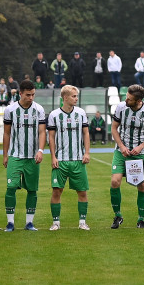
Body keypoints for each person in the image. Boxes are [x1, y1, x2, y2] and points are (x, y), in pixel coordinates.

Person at [110, 84, 144, 228]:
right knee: (115, 181)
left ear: (138, 101)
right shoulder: (120, 107)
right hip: (121, 151)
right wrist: (122, 146)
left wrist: (141, 146)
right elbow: (114, 128)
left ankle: (141, 219)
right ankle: (117, 216)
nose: (126, 100)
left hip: (139, 153)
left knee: (142, 186)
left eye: (129, 99)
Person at [2, 80, 46, 231]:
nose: (31, 98)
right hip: (15, 155)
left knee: (32, 190)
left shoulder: (39, 109)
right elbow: (6, 133)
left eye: (33, 94)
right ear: (20, 93)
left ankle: (29, 223)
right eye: (28, 95)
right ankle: (10, 222)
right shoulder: (10, 110)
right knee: (11, 187)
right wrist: (5, 155)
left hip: (32, 157)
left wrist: (40, 150)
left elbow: (42, 132)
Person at [47, 84, 91, 231]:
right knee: (57, 191)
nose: (76, 98)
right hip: (60, 160)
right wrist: (53, 157)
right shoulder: (54, 115)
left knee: (82, 192)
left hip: (78, 159)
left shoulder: (81, 113)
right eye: (73, 96)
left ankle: (82, 222)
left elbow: (86, 133)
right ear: (65, 98)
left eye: (76, 96)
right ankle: (56, 222)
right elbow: (51, 137)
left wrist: (87, 153)